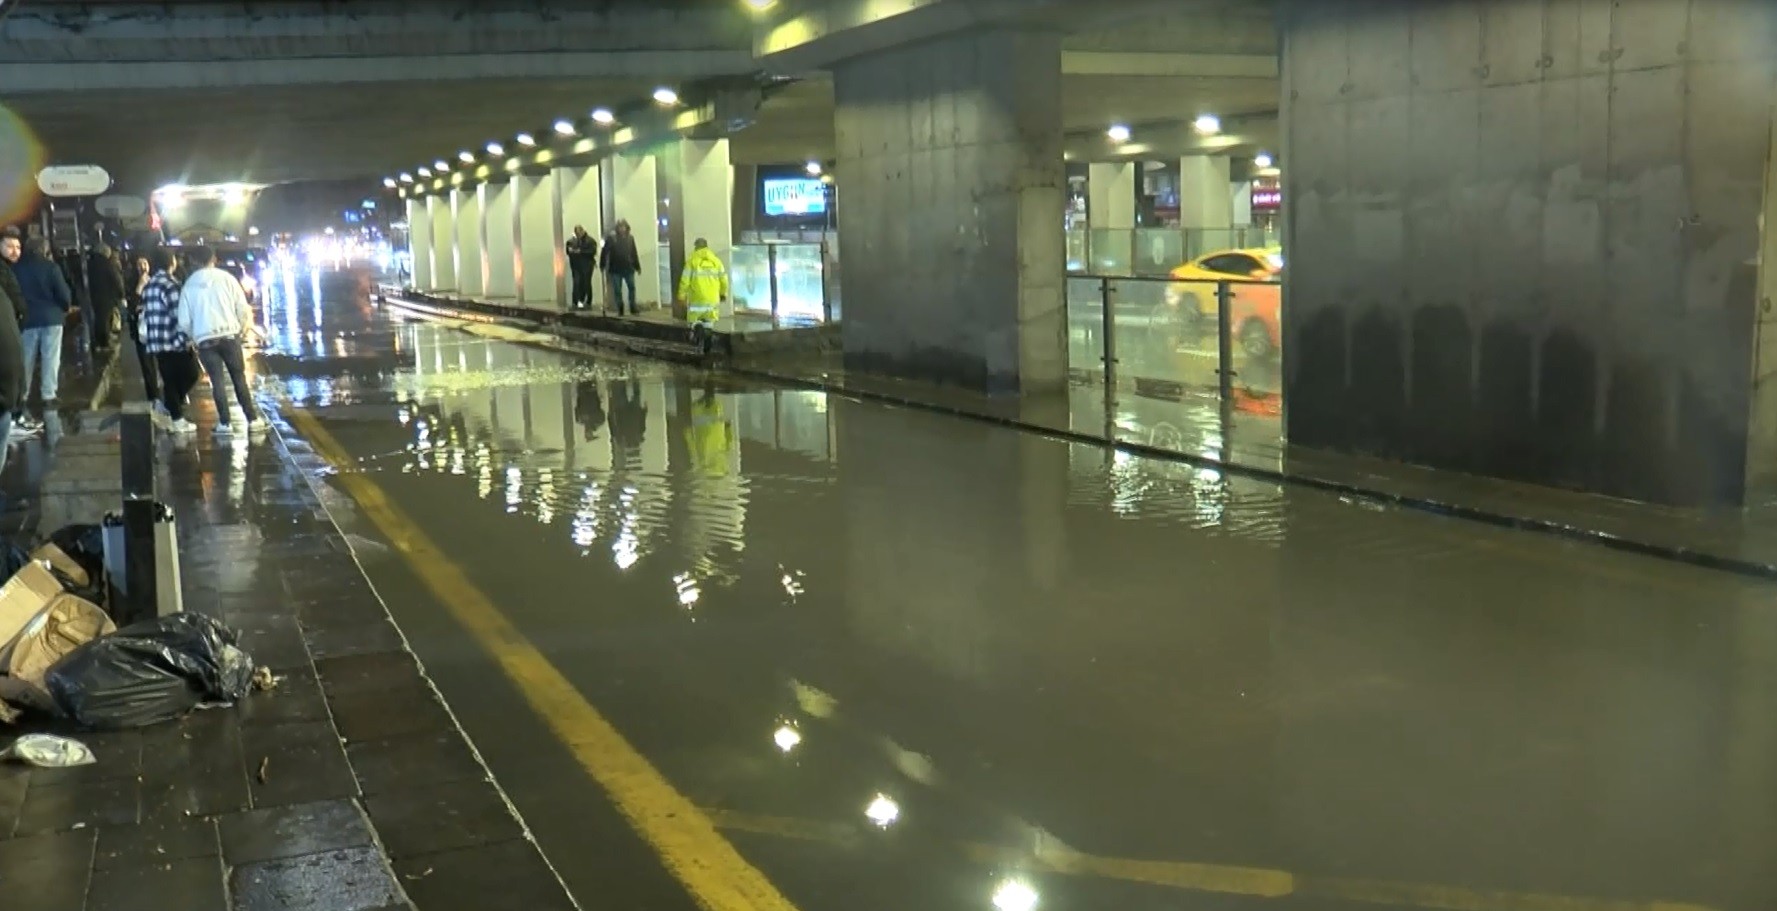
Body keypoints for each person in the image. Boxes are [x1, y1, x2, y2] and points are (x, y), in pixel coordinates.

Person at [178, 245, 263, 437]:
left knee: (217, 382)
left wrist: (195, 335)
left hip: (205, 340)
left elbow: (183, 321)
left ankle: (225, 423)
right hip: (229, 335)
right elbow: (242, 307)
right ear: (213, 259)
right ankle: (253, 419)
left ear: (194, 262)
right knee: (238, 377)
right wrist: (241, 329)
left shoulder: (189, 284)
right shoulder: (227, 279)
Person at [139, 247, 200, 434]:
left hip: (157, 341)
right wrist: (188, 339)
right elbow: (178, 315)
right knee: (191, 373)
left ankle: (173, 412)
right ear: (171, 262)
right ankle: (175, 415)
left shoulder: (150, 285)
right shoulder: (170, 285)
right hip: (173, 340)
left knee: (170, 379)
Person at [12, 237, 72, 404]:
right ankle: (48, 394)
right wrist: (65, 307)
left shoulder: (17, 269)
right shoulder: (51, 268)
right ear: (44, 250)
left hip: (27, 319)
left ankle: (22, 395)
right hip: (51, 318)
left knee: (26, 359)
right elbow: (63, 294)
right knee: (51, 357)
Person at [676, 238, 729, 326]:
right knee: (709, 327)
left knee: (694, 327)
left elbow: (684, 282)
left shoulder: (691, 262)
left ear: (696, 247)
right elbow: (724, 280)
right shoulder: (717, 262)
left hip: (696, 302)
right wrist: (723, 294)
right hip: (712, 302)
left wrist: (681, 296)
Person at [85, 243, 125, 355]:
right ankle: (103, 343)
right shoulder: (107, 264)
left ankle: (100, 341)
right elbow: (116, 280)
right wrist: (121, 294)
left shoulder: (89, 263)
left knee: (99, 319)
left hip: (94, 295)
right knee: (104, 319)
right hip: (106, 296)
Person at [600, 220, 641, 316]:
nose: (622, 229)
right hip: (615, 268)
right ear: (617, 228)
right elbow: (605, 252)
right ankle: (620, 307)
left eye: (624, 227)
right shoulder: (612, 238)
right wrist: (602, 264)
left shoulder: (630, 239)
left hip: (628, 267)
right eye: (620, 227)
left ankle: (632, 306)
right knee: (617, 290)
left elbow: (633, 253)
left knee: (632, 287)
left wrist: (637, 266)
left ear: (627, 228)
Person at [565, 225, 598, 311]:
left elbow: (592, 251)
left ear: (583, 231)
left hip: (587, 265)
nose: (578, 234)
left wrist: (581, 252)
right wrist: (572, 251)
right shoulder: (572, 241)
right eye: (576, 233)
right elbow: (568, 251)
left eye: (579, 232)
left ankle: (587, 301)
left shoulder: (590, 241)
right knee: (576, 283)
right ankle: (576, 302)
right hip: (576, 266)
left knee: (586, 283)